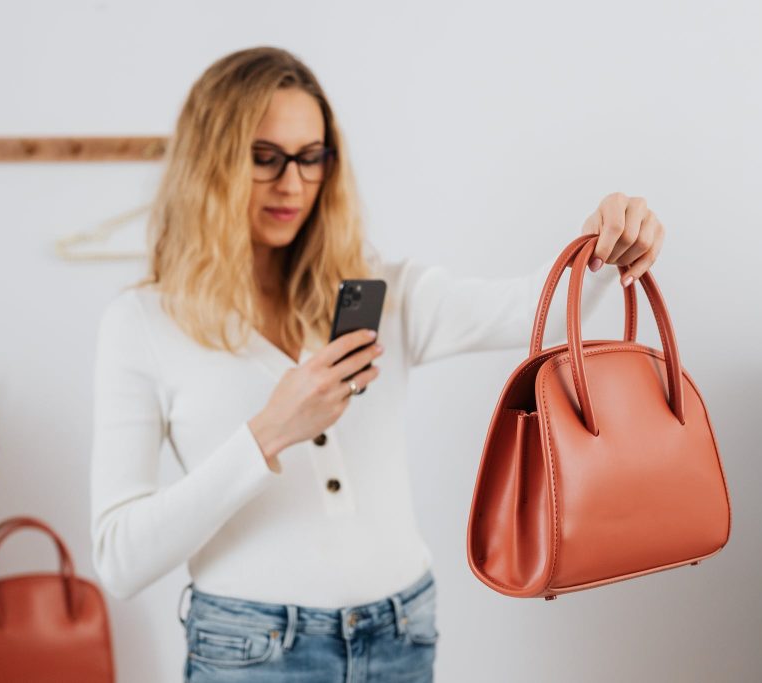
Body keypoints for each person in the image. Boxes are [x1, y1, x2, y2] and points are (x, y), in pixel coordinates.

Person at [89, 46, 666, 683]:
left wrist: (601, 250)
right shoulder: (143, 323)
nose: (292, 184)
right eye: (264, 157)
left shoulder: (380, 292)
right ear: (210, 162)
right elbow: (119, 558)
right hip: (251, 653)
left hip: (400, 635)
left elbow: (530, 311)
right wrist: (268, 434)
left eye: (311, 157)